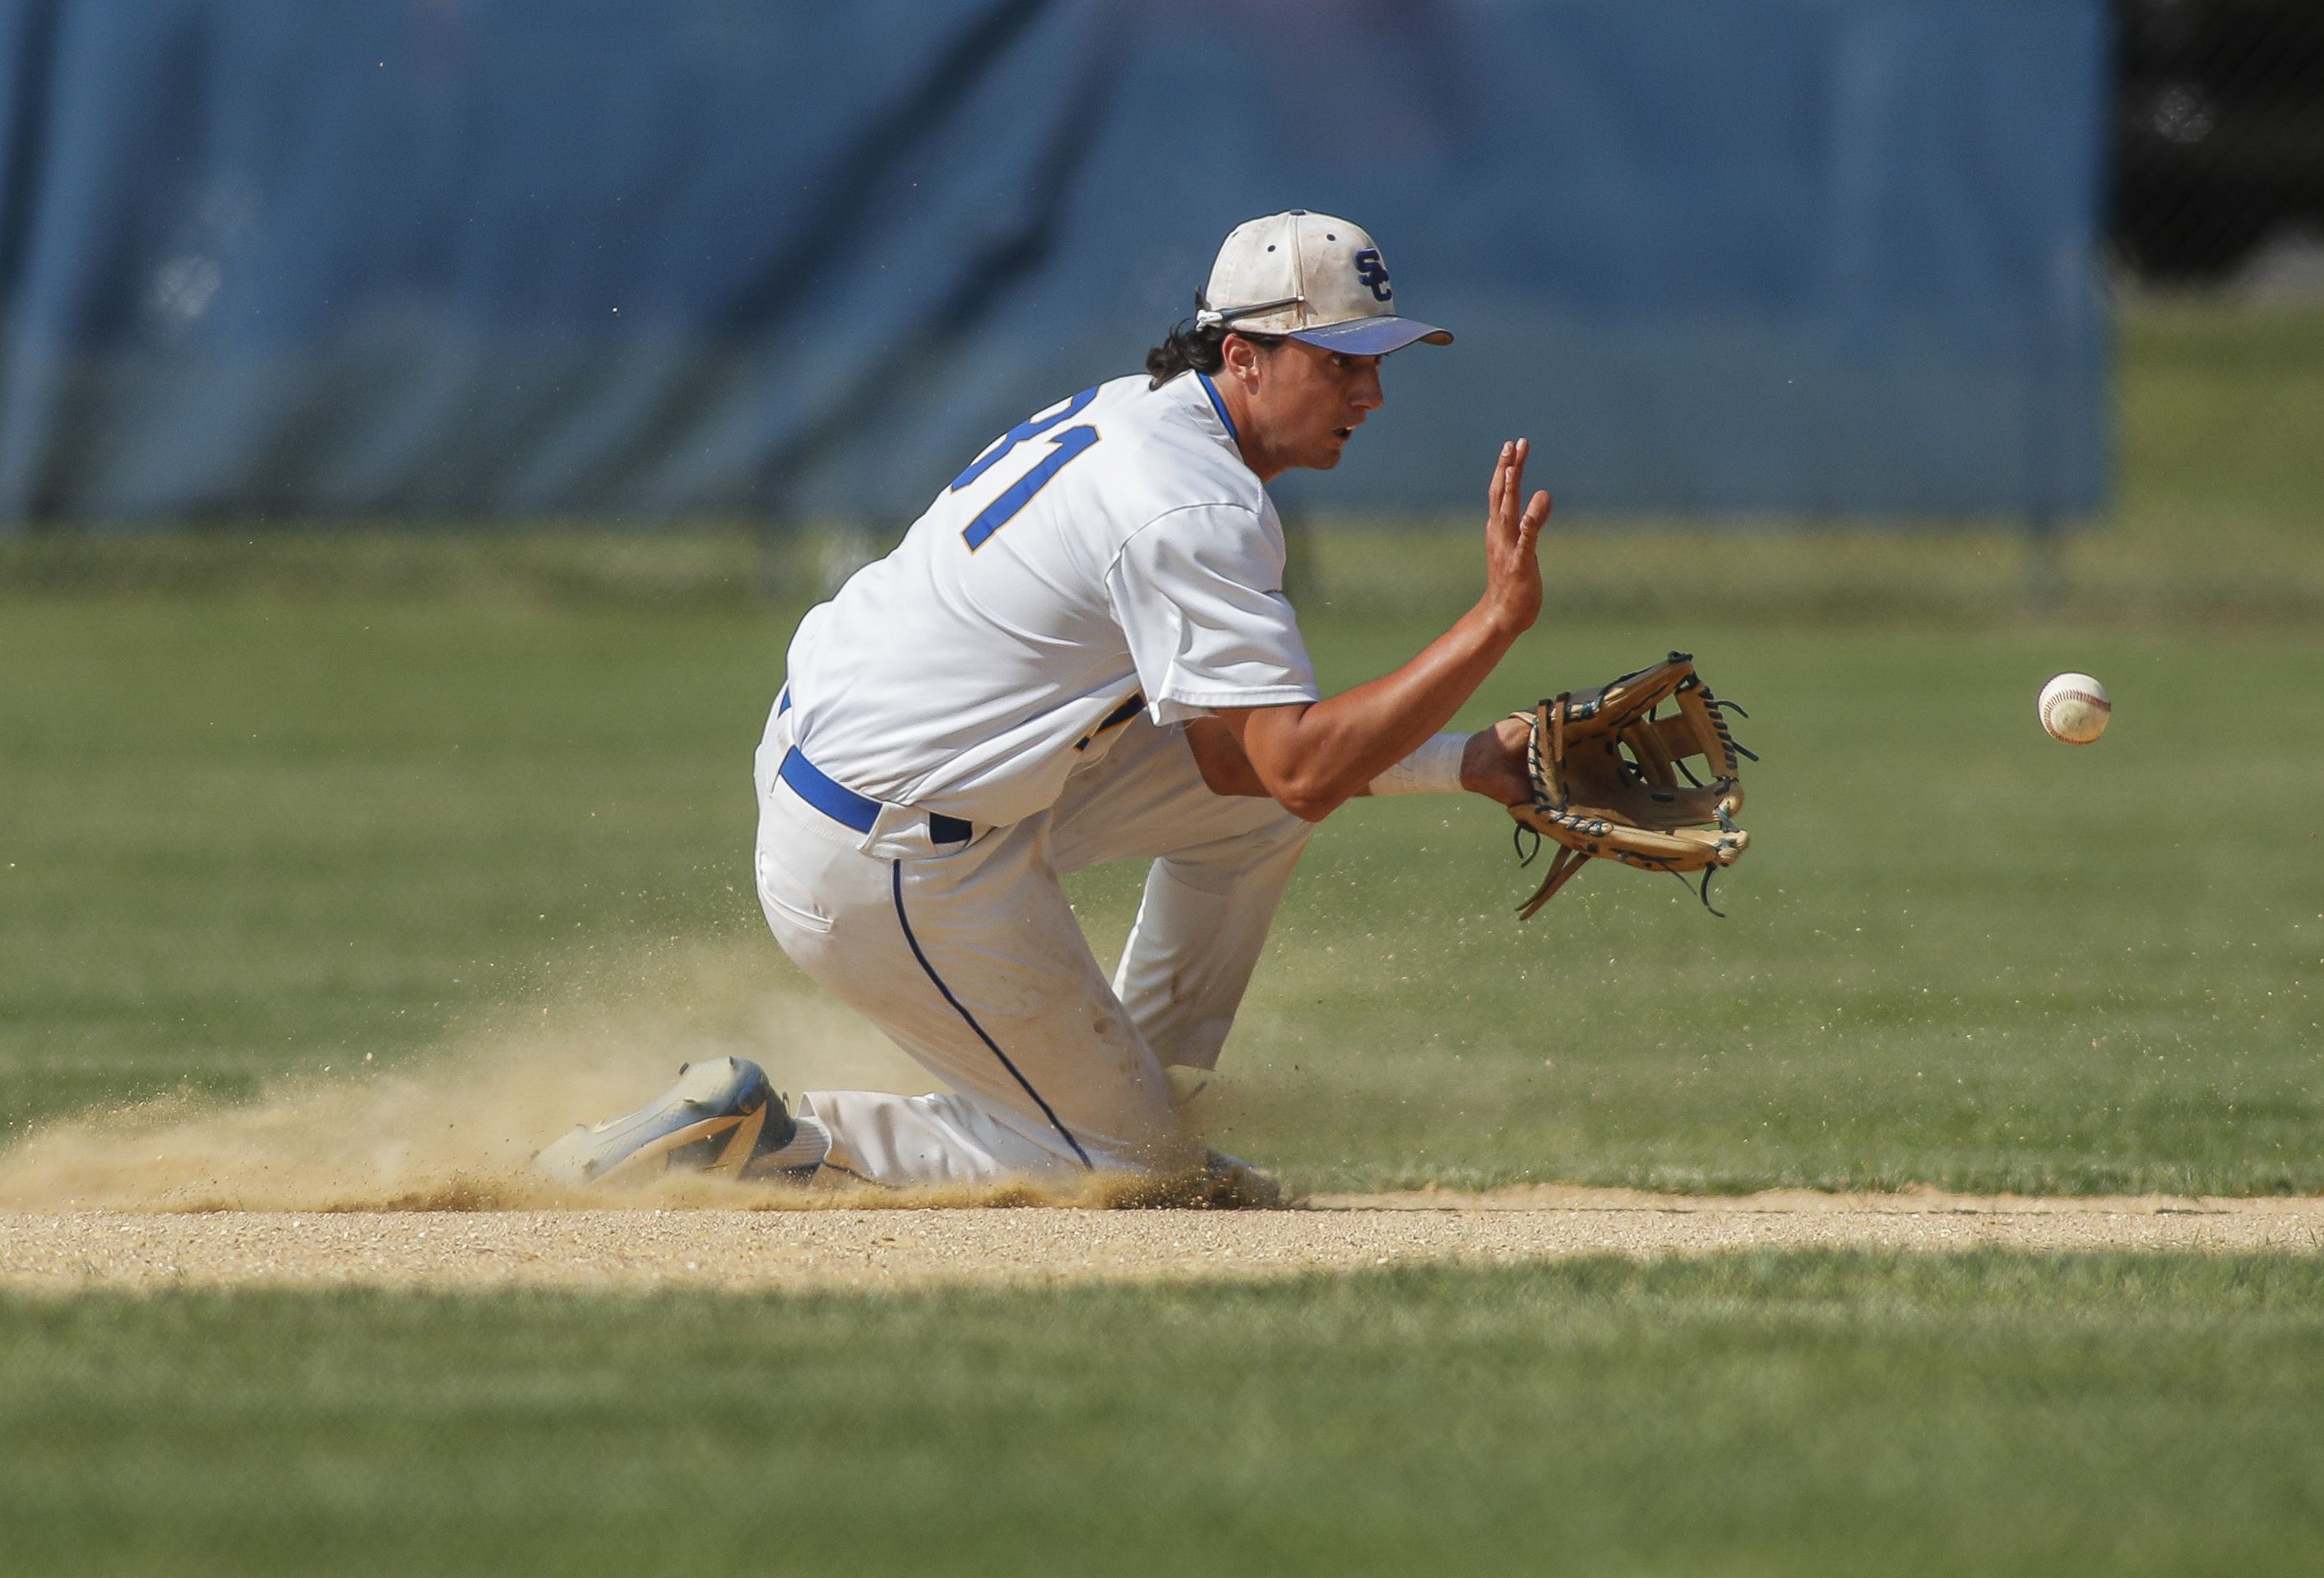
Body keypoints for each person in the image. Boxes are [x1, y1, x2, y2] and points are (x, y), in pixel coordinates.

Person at [535, 211, 1550, 1192]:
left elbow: (1245, 770)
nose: (1370, 391)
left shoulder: (1137, 414)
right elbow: (1302, 767)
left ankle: (1133, 1102)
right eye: (1341, 359)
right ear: (1243, 354)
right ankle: (772, 1144)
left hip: (871, 763)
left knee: (1249, 813)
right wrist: (1493, 622)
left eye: (1377, 360)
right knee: (1121, 1173)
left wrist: (1473, 761)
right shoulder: (1194, 502)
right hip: (883, 849)